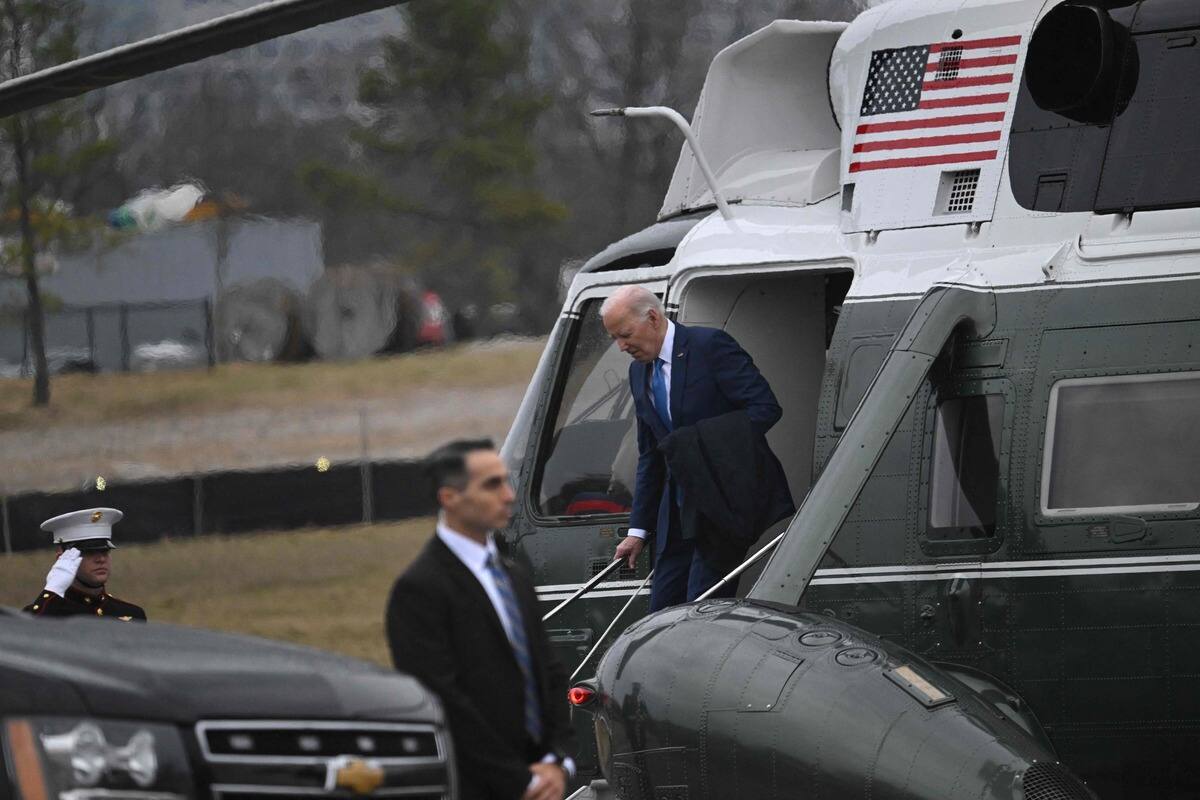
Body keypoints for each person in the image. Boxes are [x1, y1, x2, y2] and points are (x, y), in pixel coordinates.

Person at [386, 440, 575, 800]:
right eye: (492, 485)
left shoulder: (514, 576)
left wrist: (556, 761)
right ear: (450, 498)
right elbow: (444, 701)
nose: (508, 496)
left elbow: (548, 672)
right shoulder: (420, 589)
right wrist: (520, 781)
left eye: (506, 482)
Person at [602, 285, 795, 611]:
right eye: (615, 339)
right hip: (676, 514)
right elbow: (652, 454)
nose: (621, 346)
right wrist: (637, 531)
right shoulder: (639, 373)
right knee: (662, 612)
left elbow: (764, 408)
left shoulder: (709, 347)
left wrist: (696, 443)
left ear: (652, 317)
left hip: (720, 504)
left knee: (700, 613)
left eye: (625, 335)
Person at [23, 508, 147, 621]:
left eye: (105, 551)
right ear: (62, 558)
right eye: (89, 552)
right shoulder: (46, 612)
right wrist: (52, 590)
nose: (101, 559)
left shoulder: (133, 614)